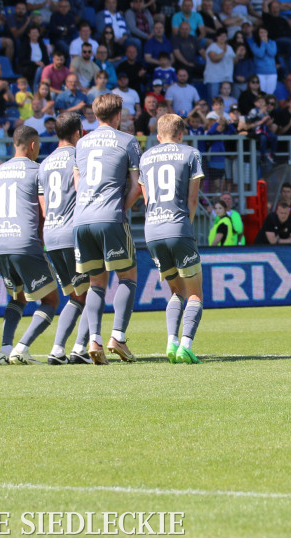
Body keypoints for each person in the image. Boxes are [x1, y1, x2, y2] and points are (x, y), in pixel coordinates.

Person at [72, 94, 142, 365]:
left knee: (96, 283)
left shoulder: (82, 143)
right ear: (118, 115)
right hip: (109, 216)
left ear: (96, 114)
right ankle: (118, 338)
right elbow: (136, 186)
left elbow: (78, 184)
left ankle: (94, 340)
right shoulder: (128, 141)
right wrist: (120, 209)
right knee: (127, 276)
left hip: (82, 218)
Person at [0, 126, 61, 365]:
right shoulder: (37, 170)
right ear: (32, 145)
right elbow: (44, 209)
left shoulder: (0, 170)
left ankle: (5, 349)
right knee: (50, 300)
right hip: (24, 242)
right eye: (38, 145)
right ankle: (22, 348)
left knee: (18, 297)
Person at [139, 114, 206, 364]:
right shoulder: (190, 154)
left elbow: (146, 200)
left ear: (158, 136)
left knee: (175, 290)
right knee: (195, 293)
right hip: (177, 227)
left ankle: (171, 342)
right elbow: (192, 199)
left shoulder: (146, 157)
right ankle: (186, 345)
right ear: (181, 134)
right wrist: (184, 226)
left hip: (152, 231)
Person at [38, 113, 92, 365]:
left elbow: (43, 206)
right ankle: (80, 347)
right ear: (79, 131)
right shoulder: (79, 156)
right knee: (94, 290)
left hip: (52, 234)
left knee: (75, 295)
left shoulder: (45, 163)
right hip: (72, 233)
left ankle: (58, 349)